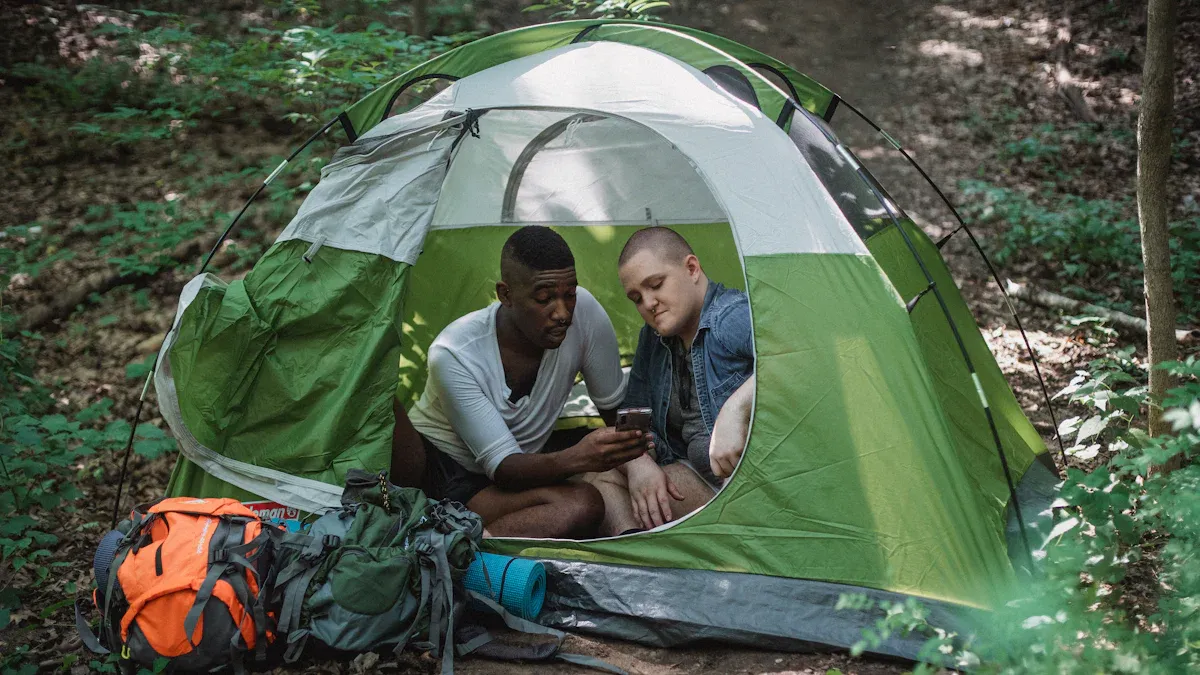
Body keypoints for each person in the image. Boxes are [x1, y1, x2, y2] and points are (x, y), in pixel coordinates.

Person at [389, 226, 650, 539]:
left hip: (523, 465)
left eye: (569, 295)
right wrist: (580, 457)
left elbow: (614, 409)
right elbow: (504, 468)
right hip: (449, 472)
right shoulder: (455, 353)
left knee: (610, 473)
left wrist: (640, 465)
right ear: (506, 295)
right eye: (544, 299)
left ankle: (470, 537)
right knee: (581, 505)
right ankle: (451, 549)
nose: (563, 313)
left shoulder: (585, 313)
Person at [590, 227, 755, 535]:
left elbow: (805, 349)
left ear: (691, 269)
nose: (649, 304)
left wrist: (736, 409)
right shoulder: (654, 339)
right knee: (598, 477)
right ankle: (640, 565)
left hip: (748, 491)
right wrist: (638, 463)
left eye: (656, 285)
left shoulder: (729, 317)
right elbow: (632, 422)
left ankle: (645, 567)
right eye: (636, 298)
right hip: (696, 475)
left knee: (604, 487)